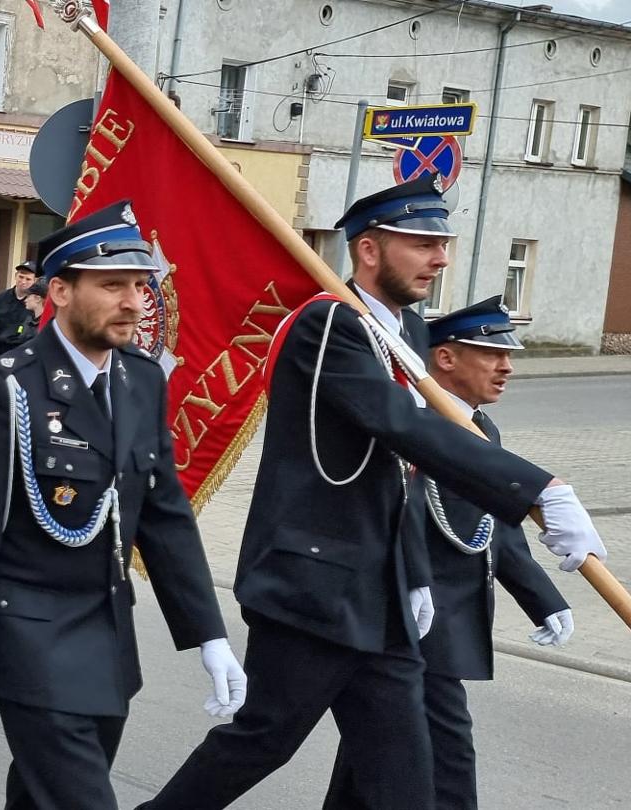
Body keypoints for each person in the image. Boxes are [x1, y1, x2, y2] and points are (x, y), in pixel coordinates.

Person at [141, 176, 609, 810]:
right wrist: (540, 490)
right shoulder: (330, 323)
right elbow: (400, 425)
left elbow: (404, 479)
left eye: (442, 243)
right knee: (261, 743)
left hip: (380, 596)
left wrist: (413, 572)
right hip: (312, 587)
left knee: (405, 779)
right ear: (368, 249)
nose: (440, 258)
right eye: (421, 243)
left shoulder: (406, 334)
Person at [0, 204, 241, 809]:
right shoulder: (7, 385)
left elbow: (163, 511)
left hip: (107, 640)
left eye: (140, 285)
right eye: (112, 285)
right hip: (28, 636)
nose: (134, 301)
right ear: (61, 292)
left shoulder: (140, 378)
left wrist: (207, 631)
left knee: (39, 797)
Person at [324, 296, 573, 810]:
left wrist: (543, 597)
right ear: (445, 359)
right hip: (413, 617)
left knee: (380, 754)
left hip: (450, 620)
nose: (506, 367)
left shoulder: (481, 429)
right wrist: (415, 581)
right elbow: (396, 515)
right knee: (446, 757)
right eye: (490, 355)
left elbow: (495, 524)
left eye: (508, 356)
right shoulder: (413, 431)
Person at [0, 260, 39, 357]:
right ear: (16, 276)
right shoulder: (1, 298)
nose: (23, 282)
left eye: (28, 279)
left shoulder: (35, 302)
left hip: (22, 354)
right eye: (21, 277)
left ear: (35, 281)